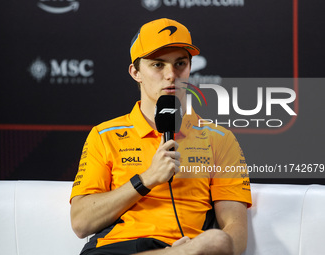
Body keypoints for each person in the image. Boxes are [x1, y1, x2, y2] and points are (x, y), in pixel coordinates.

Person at [70, 18, 252, 255]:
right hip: (115, 248)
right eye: (158, 65)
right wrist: (146, 179)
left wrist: (196, 250)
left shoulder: (219, 138)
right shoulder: (104, 135)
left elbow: (235, 228)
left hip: (188, 248)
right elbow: (81, 223)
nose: (171, 75)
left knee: (216, 241)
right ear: (135, 72)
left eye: (180, 64)